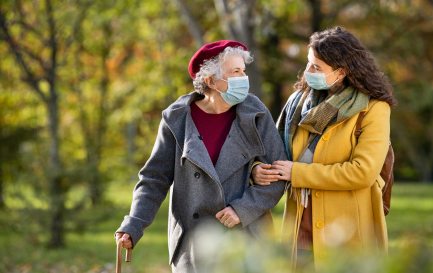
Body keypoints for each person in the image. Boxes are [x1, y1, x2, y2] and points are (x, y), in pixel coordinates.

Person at [115, 40, 287, 272]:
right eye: (235, 72)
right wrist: (133, 224)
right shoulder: (177, 119)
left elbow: (278, 172)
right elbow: (154, 180)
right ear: (210, 80)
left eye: (243, 71)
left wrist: (243, 209)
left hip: (247, 239)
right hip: (193, 243)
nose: (243, 78)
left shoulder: (256, 113)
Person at [252, 26, 397, 268]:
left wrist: (297, 173)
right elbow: (272, 152)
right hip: (300, 222)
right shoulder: (298, 103)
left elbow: (363, 171)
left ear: (340, 72)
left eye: (316, 67)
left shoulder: (373, 108)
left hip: (348, 227)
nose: (308, 72)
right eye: (309, 63)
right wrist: (258, 169)